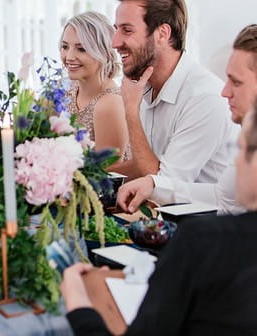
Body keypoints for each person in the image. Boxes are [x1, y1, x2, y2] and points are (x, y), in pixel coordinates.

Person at [61, 100, 257, 335]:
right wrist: (155, 185)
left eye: (242, 149)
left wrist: (78, 303)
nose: (235, 162)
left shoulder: (203, 241)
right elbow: (220, 195)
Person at [118, 24, 257, 215]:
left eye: (237, 83)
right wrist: (154, 185)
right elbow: (222, 198)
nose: (225, 92)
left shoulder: (204, 98)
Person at [108, 0, 236, 182]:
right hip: (163, 211)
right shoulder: (144, 85)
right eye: (117, 30)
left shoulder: (204, 98)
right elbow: (145, 163)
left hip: (205, 212)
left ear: (162, 33)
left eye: (127, 30)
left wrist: (131, 112)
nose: (114, 42)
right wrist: (86, 178)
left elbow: (164, 186)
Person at [62, 11, 128, 159]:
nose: (69, 57)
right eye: (65, 46)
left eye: (81, 49)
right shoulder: (65, 91)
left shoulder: (109, 104)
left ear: (103, 52)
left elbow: (107, 174)